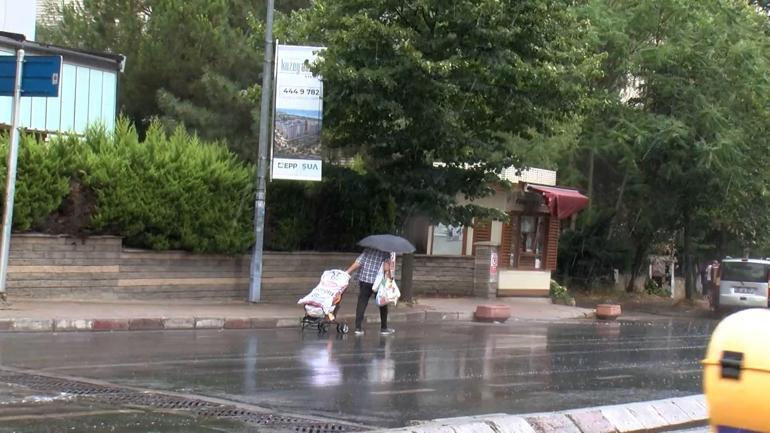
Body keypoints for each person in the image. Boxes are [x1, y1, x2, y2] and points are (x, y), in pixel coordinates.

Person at [346, 248, 395, 336]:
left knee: (362, 302)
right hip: (377, 283)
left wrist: (347, 272)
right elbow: (386, 268)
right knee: (382, 304)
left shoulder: (367, 250)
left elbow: (358, 262)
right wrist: (390, 278)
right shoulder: (385, 253)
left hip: (364, 280)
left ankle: (358, 328)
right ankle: (384, 328)